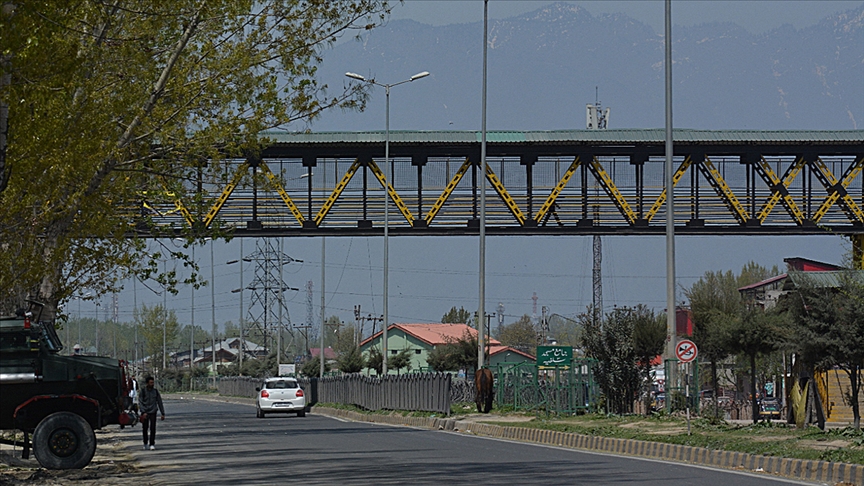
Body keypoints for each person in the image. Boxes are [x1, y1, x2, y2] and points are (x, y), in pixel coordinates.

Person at [138, 376, 166, 450]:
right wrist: (143, 412)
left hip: (153, 412)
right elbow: (140, 402)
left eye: (153, 382)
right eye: (151, 382)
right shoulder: (143, 391)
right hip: (145, 412)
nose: (152, 384)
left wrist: (163, 413)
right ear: (147, 383)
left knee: (153, 428)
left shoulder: (155, 391)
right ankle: (145, 443)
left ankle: (152, 444)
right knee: (145, 428)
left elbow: (159, 402)